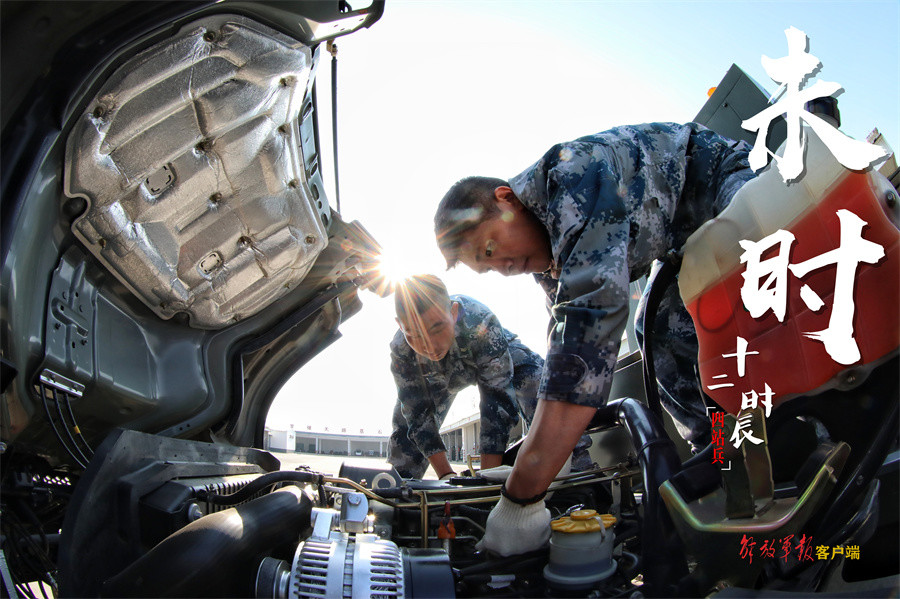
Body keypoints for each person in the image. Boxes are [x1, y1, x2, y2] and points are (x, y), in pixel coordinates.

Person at [433, 122, 755, 556]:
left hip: (722, 182)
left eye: (490, 249)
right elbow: (562, 355)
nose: (503, 267)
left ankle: (805, 433)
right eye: (487, 269)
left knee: (755, 275)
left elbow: (588, 331)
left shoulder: (569, 178)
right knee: (656, 328)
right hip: (686, 236)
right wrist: (542, 456)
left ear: (506, 199)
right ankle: (720, 453)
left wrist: (523, 493)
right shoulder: (551, 263)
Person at [387, 274, 547, 479]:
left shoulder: (480, 321)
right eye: (415, 335)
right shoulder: (402, 349)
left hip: (493, 354)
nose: (429, 344)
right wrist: (446, 476)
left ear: (454, 312)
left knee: (536, 379)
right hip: (438, 377)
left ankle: (575, 463)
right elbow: (417, 413)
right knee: (406, 420)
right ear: (400, 326)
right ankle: (401, 489)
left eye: (437, 328)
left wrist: (487, 479)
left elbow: (497, 400)